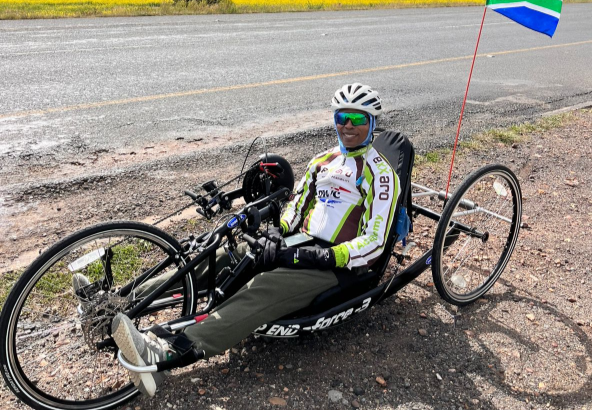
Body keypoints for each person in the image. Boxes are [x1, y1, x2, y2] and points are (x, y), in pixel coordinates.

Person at [110, 83, 401, 397]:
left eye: (357, 120)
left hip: (335, 265)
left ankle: (165, 351)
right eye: (342, 117)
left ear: (372, 123)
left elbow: (374, 242)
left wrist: (319, 258)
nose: (347, 126)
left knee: (261, 288)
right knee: (224, 253)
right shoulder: (323, 160)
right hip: (299, 243)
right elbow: (297, 204)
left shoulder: (381, 175)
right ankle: (121, 302)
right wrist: (279, 231)